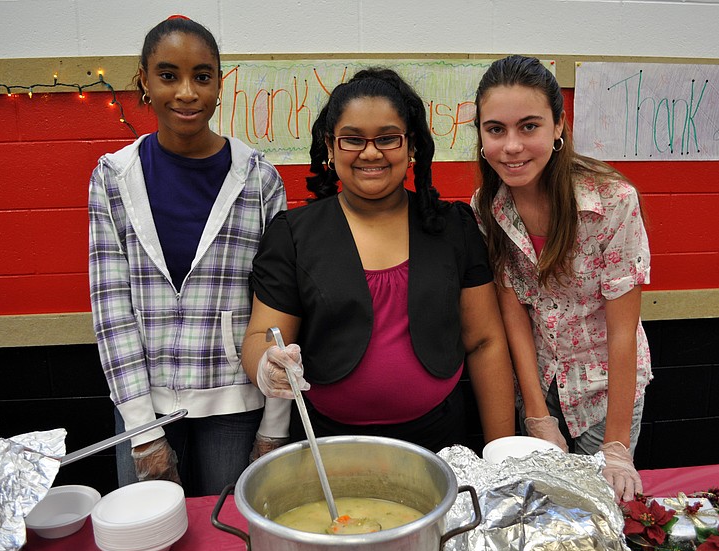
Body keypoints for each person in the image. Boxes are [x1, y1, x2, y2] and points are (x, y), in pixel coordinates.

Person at [241, 68, 516, 453]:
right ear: (330, 146)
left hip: (440, 440)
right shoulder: (293, 234)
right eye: (352, 140)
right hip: (330, 444)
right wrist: (266, 365)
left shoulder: (453, 227)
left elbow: (485, 341)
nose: (370, 152)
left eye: (387, 138)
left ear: (412, 144)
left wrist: (499, 452)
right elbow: (260, 337)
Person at [88, 15, 291, 497]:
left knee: (231, 539)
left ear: (220, 84)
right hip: (142, 403)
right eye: (168, 75)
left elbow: (282, 304)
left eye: (202, 76)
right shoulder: (114, 178)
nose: (186, 92)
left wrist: (275, 427)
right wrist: (141, 432)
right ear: (144, 80)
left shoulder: (258, 180)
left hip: (235, 403)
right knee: (149, 539)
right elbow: (111, 309)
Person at [471, 55, 652, 501]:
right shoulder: (488, 205)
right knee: (541, 509)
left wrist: (615, 447)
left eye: (528, 126)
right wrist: (536, 414)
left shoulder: (611, 200)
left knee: (594, 508)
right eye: (496, 129)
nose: (511, 146)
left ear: (558, 126)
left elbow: (623, 333)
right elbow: (512, 307)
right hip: (538, 381)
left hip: (603, 394)